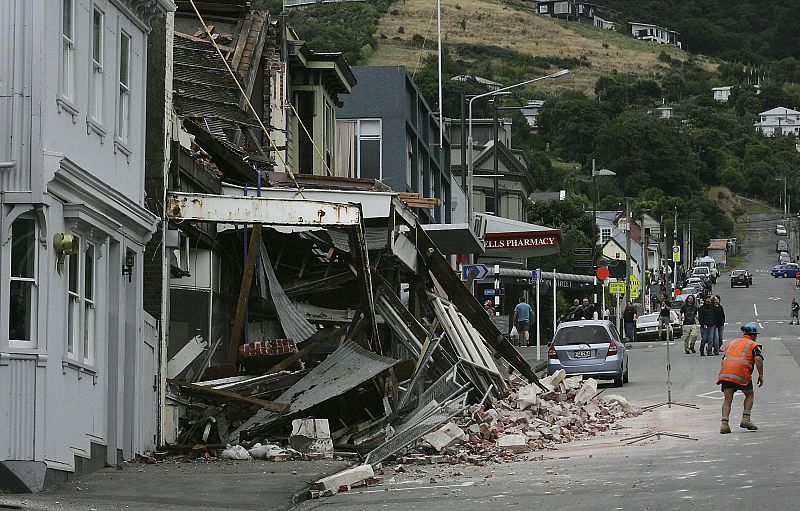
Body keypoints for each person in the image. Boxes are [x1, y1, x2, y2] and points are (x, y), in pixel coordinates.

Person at [718, 322, 764, 434]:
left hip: (726, 373)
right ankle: (746, 419)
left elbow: (724, 358)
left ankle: (724, 424)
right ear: (753, 335)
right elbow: (758, 359)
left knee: (727, 399)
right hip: (741, 373)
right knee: (749, 394)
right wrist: (761, 375)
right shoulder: (753, 345)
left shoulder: (731, 343)